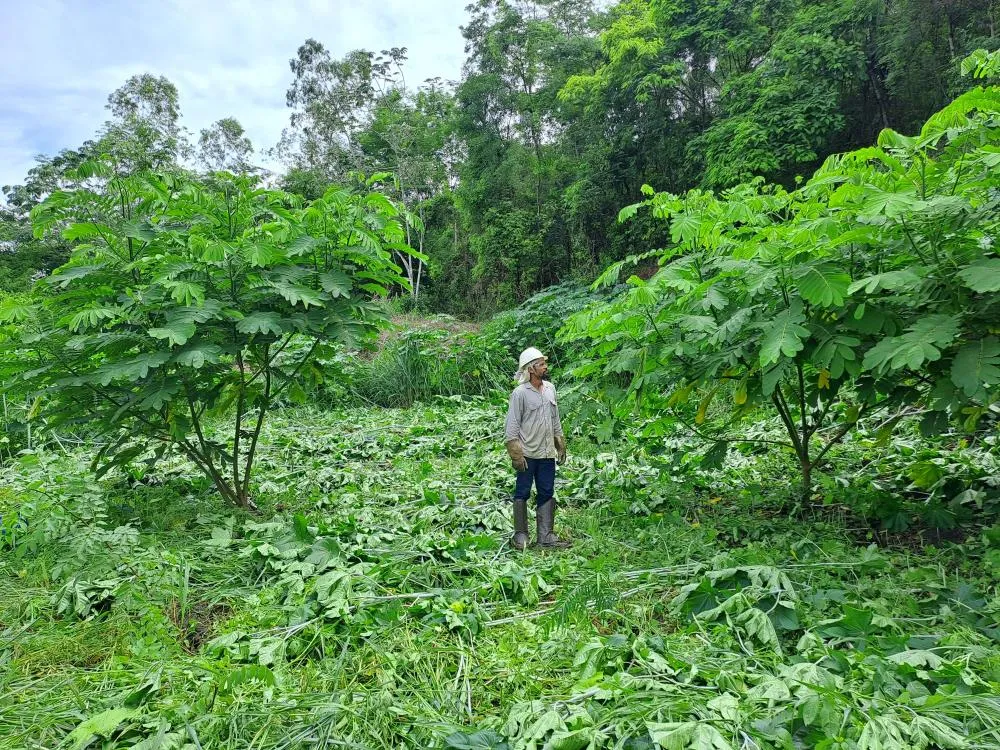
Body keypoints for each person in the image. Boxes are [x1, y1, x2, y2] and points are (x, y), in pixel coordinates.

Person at [503, 347, 570, 550]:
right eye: (541, 364)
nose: (545, 367)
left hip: (547, 453)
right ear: (531, 369)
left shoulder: (550, 388)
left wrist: (560, 444)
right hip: (528, 454)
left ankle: (546, 535)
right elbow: (511, 427)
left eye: (544, 363)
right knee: (522, 492)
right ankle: (521, 534)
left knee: (546, 491)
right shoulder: (520, 394)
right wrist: (516, 455)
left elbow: (555, 419)